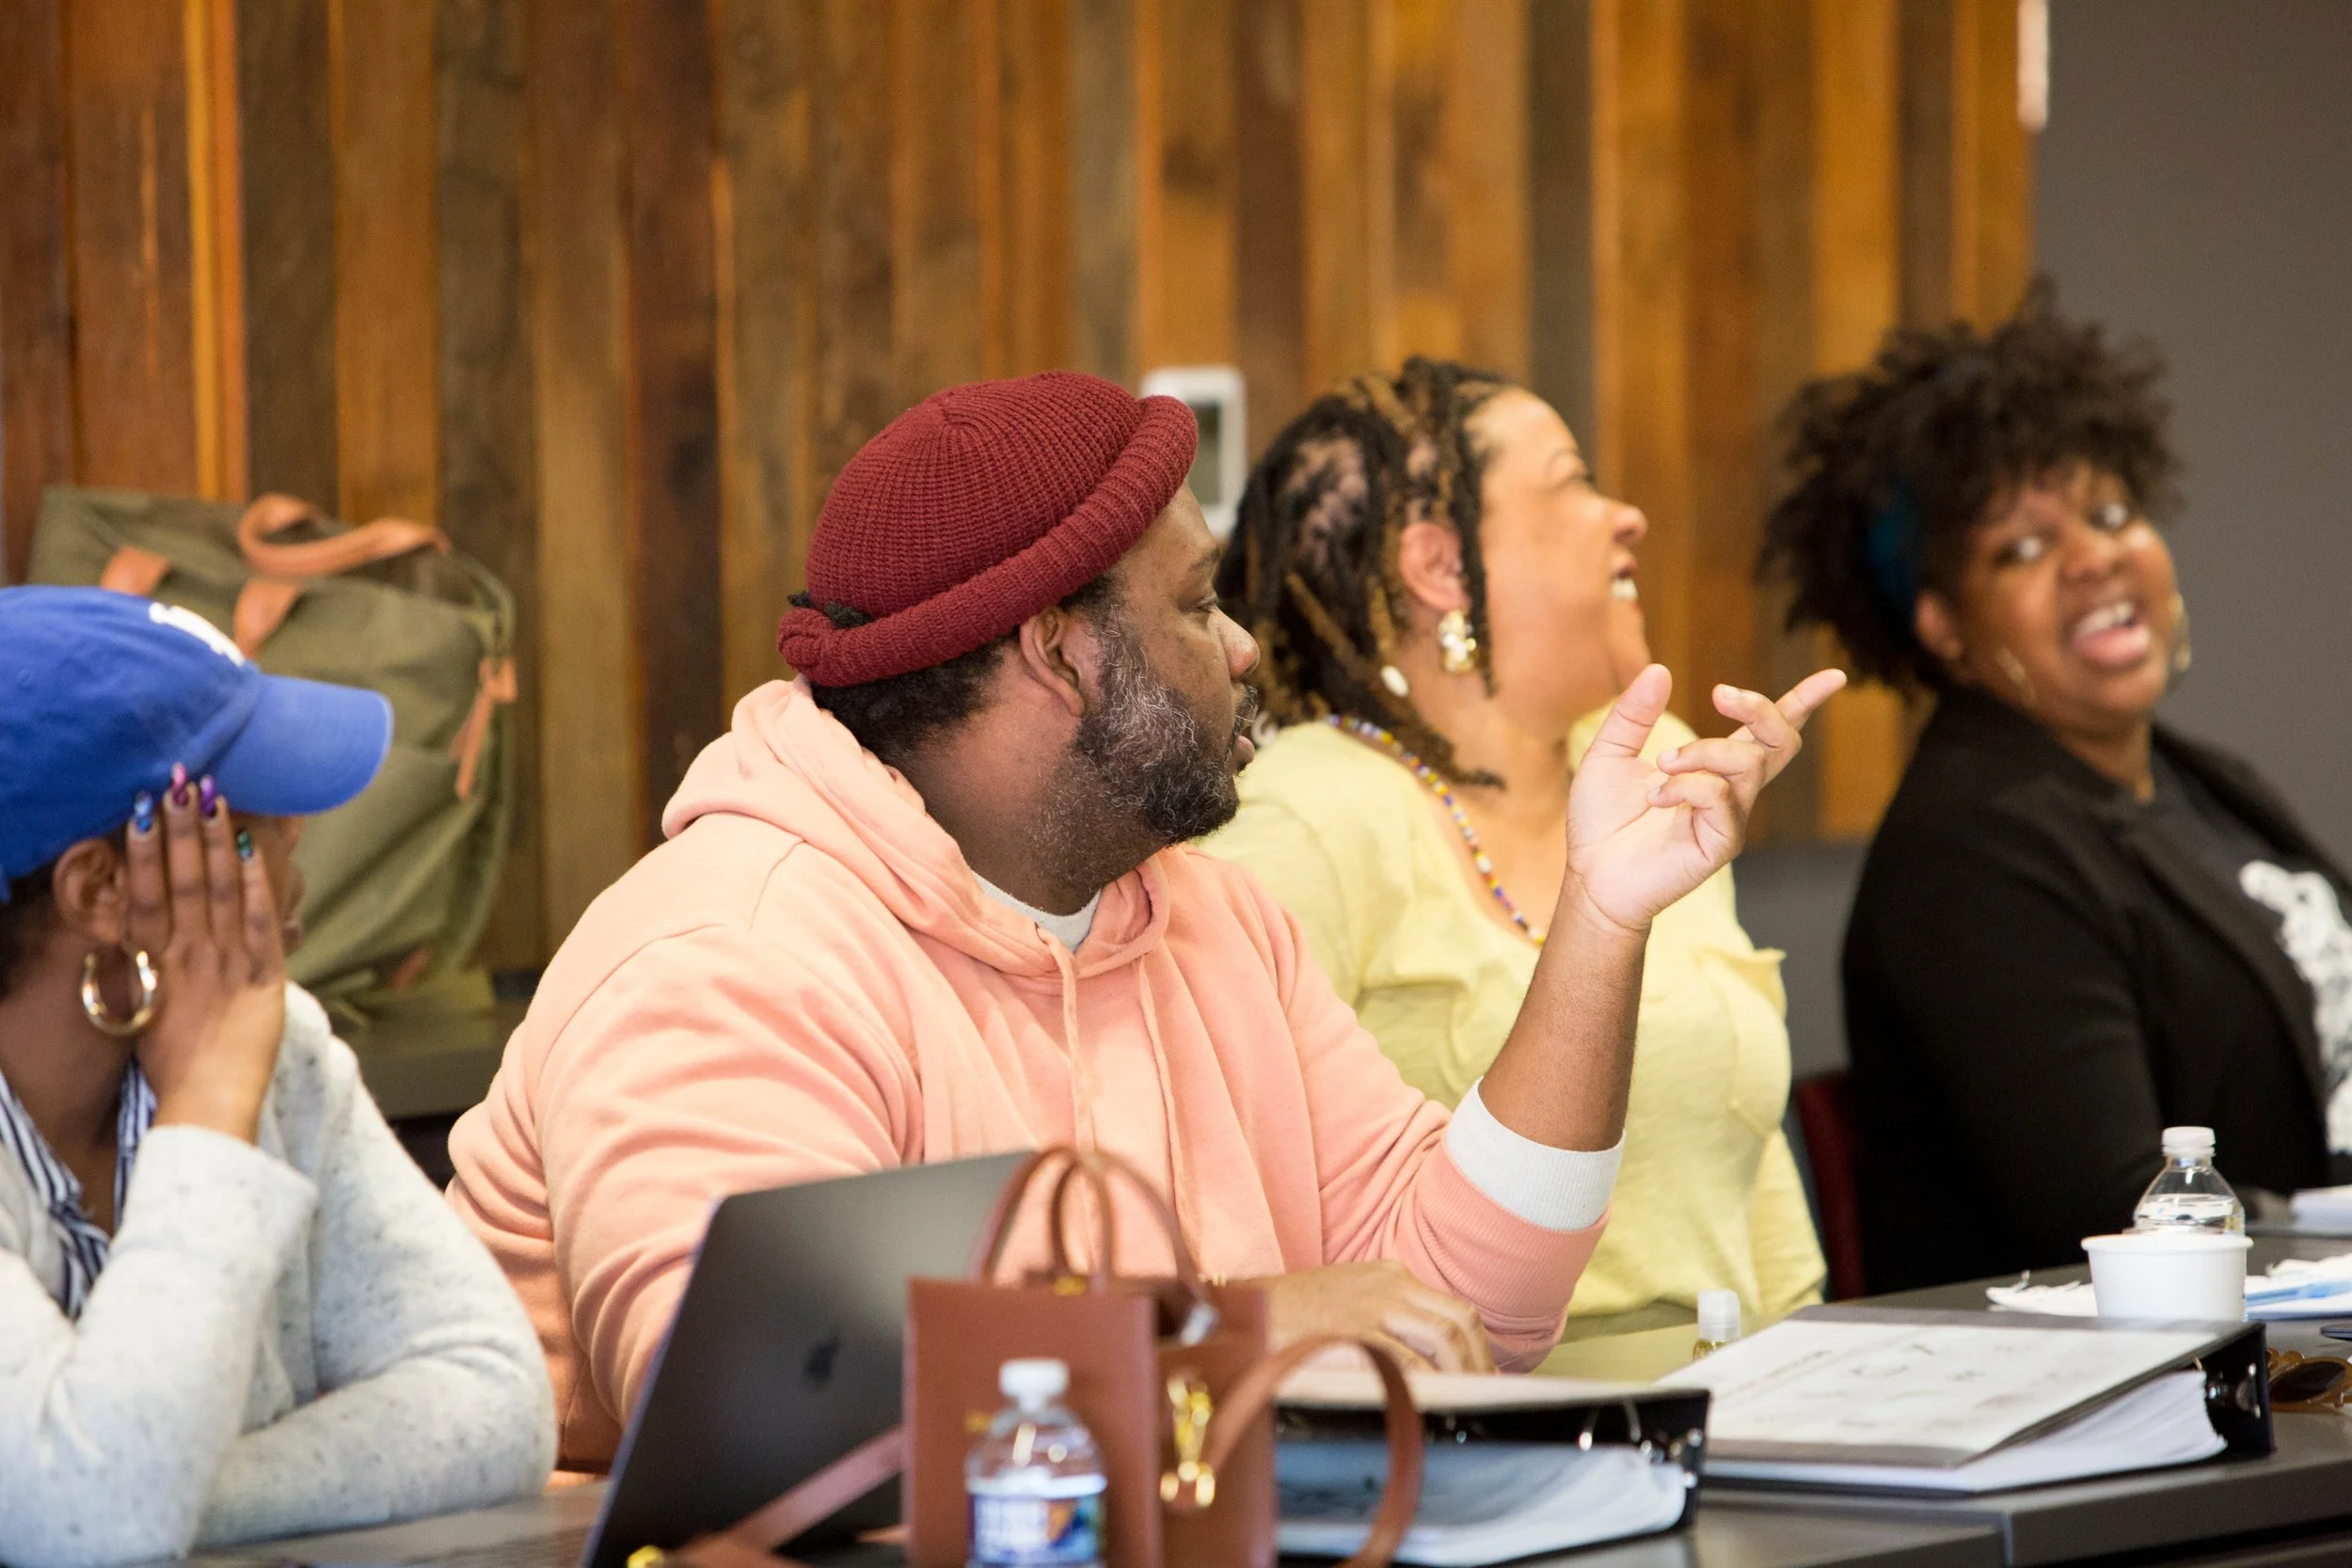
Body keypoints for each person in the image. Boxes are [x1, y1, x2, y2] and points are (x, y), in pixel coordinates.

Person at [448, 371, 1839, 1467]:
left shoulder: (1208, 920)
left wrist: (1601, 919)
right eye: (1196, 600)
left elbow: (1467, 1301)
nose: (1242, 648)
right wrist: (1218, 1331)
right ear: (1057, 647)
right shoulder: (727, 945)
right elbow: (757, 1398)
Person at [1202, 359, 1826, 1339]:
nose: (1627, 515)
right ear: (1440, 564)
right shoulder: (1310, 812)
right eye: (1572, 480)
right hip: (1469, 1422)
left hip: (1731, 1398)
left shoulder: (1646, 764)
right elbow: (1222, 1204)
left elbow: (1740, 1143)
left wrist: (1812, 1359)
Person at [1759, 289, 2352, 1291]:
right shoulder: (1974, 852)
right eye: (2022, 548)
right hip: (2159, 1397)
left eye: (2110, 511)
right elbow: (2121, 1212)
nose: (2093, 556)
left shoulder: (2203, 780)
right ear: (1943, 623)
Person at [0, 589, 555, 1568]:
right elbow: (88, 1514)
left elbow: (490, 1398)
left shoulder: (278, 1042)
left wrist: (177, 1487)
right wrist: (207, 1104)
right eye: (243, 831)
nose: (300, 842)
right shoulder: (234, 1053)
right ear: (97, 888)